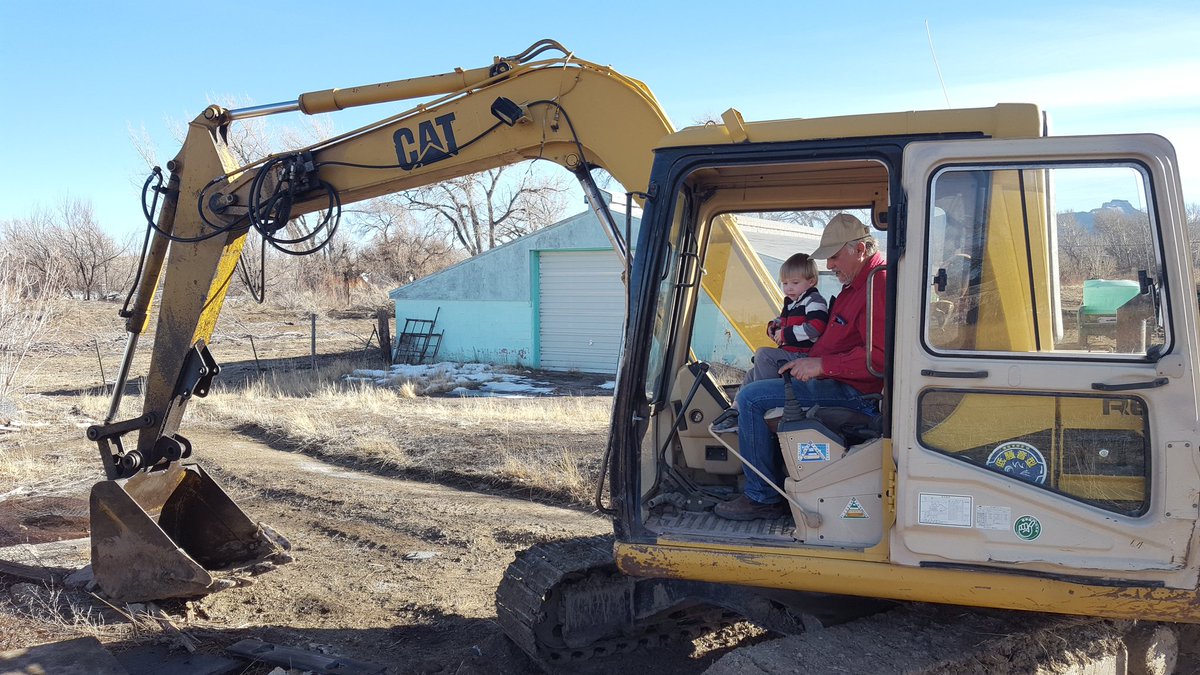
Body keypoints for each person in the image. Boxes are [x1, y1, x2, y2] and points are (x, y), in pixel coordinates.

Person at [713, 213, 887, 521]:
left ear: (859, 250)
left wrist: (822, 365)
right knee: (761, 375)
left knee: (753, 398)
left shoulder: (878, 283)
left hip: (854, 393)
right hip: (835, 379)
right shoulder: (853, 287)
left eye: (834, 257)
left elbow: (880, 358)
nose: (829, 266)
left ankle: (762, 496)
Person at [710, 253, 828, 432]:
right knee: (751, 374)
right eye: (785, 283)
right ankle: (735, 410)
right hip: (791, 352)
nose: (788, 288)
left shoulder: (814, 301)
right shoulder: (792, 303)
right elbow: (783, 320)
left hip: (804, 355)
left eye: (795, 283)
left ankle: (765, 401)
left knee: (763, 354)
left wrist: (786, 334)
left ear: (811, 282)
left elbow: (815, 327)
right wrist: (775, 326)